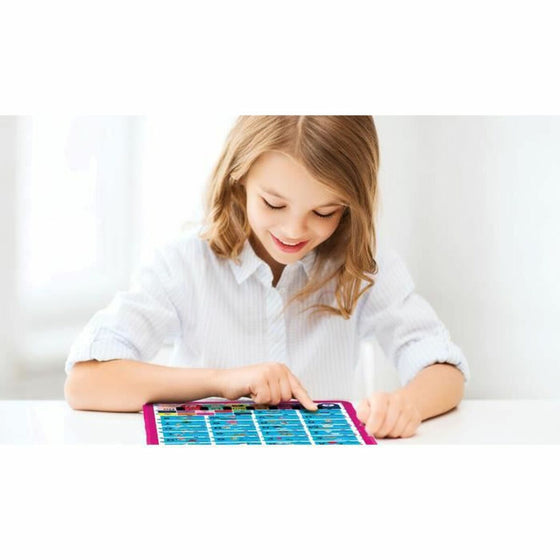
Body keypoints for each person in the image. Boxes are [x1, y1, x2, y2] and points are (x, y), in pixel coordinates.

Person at [64, 116, 469, 439]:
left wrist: (407, 405)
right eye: (273, 203)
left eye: (324, 212)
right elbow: (85, 383)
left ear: (350, 207)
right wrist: (222, 382)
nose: (293, 231)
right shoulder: (185, 264)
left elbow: (444, 368)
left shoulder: (363, 266)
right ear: (238, 178)